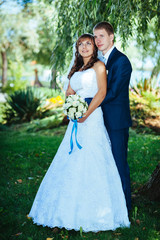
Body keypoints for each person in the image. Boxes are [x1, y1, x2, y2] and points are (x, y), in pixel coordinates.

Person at [28, 33, 130, 232]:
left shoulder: (99, 66)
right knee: (71, 158)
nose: (84, 47)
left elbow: (101, 92)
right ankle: (66, 207)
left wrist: (85, 113)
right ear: (77, 48)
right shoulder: (76, 68)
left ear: (94, 47)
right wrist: (71, 110)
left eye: (88, 44)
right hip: (77, 119)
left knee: (92, 157)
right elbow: (69, 92)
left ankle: (97, 210)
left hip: (92, 116)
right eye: (81, 44)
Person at [93, 22, 132, 212]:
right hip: (99, 121)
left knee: (119, 163)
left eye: (101, 36)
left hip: (116, 122)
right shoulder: (98, 61)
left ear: (111, 37)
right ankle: (108, 204)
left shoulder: (121, 61)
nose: (97, 40)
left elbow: (114, 91)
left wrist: (88, 102)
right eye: (95, 37)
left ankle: (124, 208)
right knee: (103, 163)